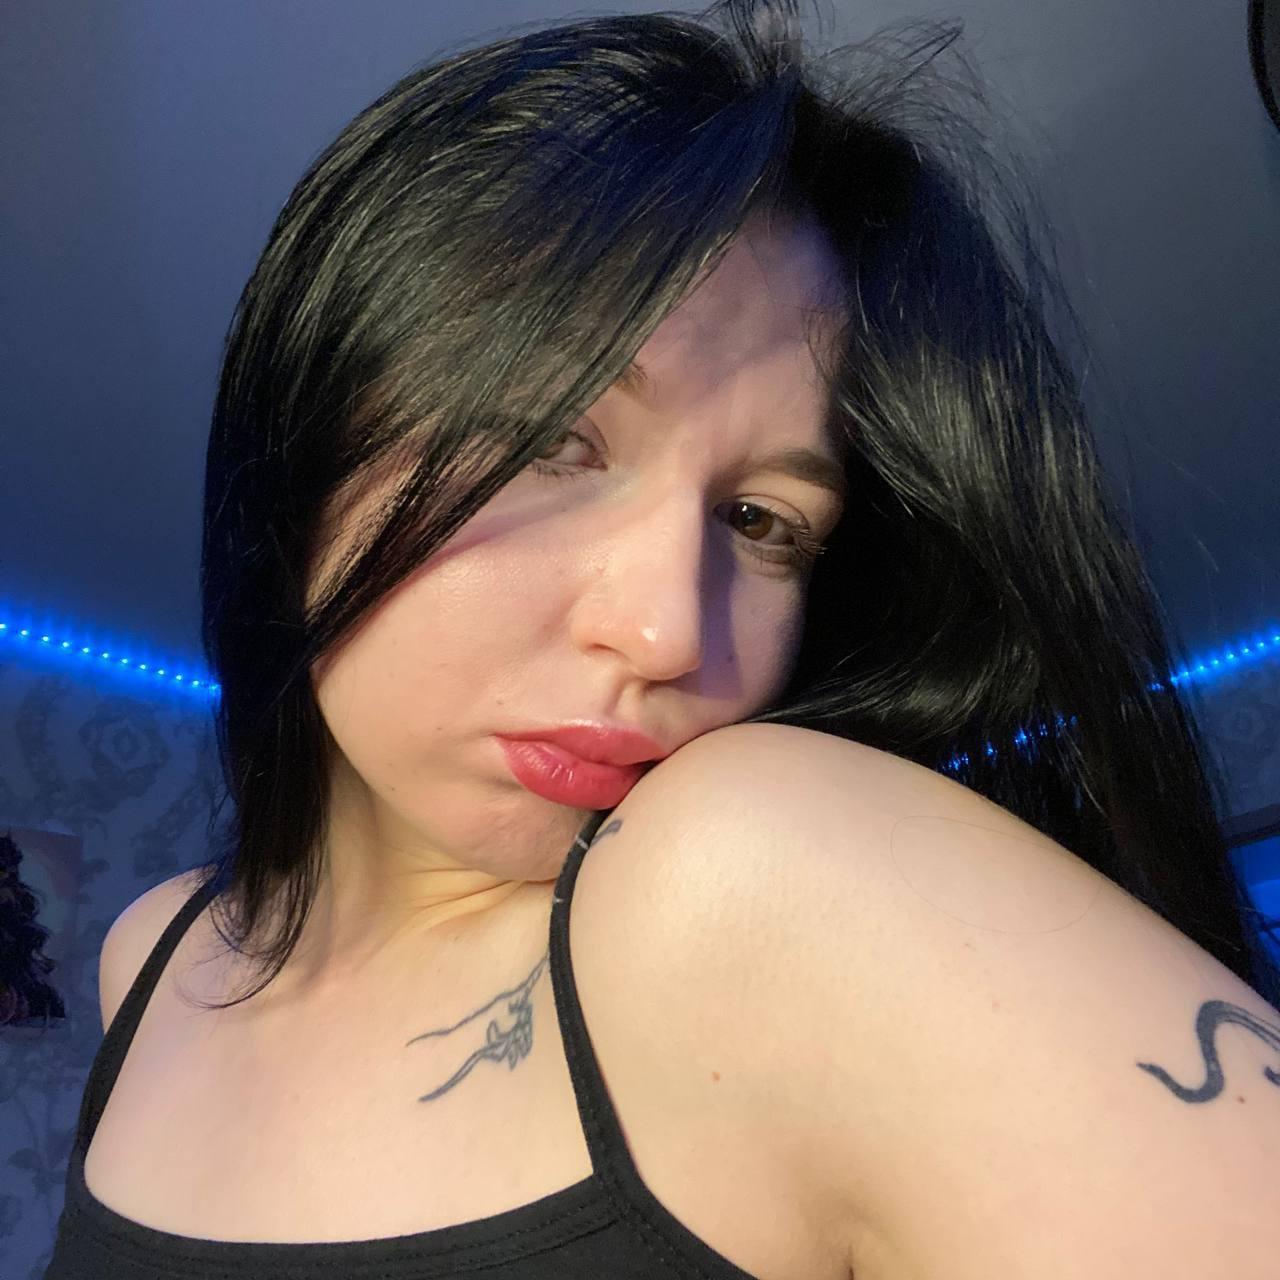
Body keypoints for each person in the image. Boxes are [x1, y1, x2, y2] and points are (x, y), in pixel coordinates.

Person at [45, 1, 1280, 1277]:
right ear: (306, 435)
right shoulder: (155, 953)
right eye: (550, 442)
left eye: (761, 521)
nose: (664, 629)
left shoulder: (745, 875)